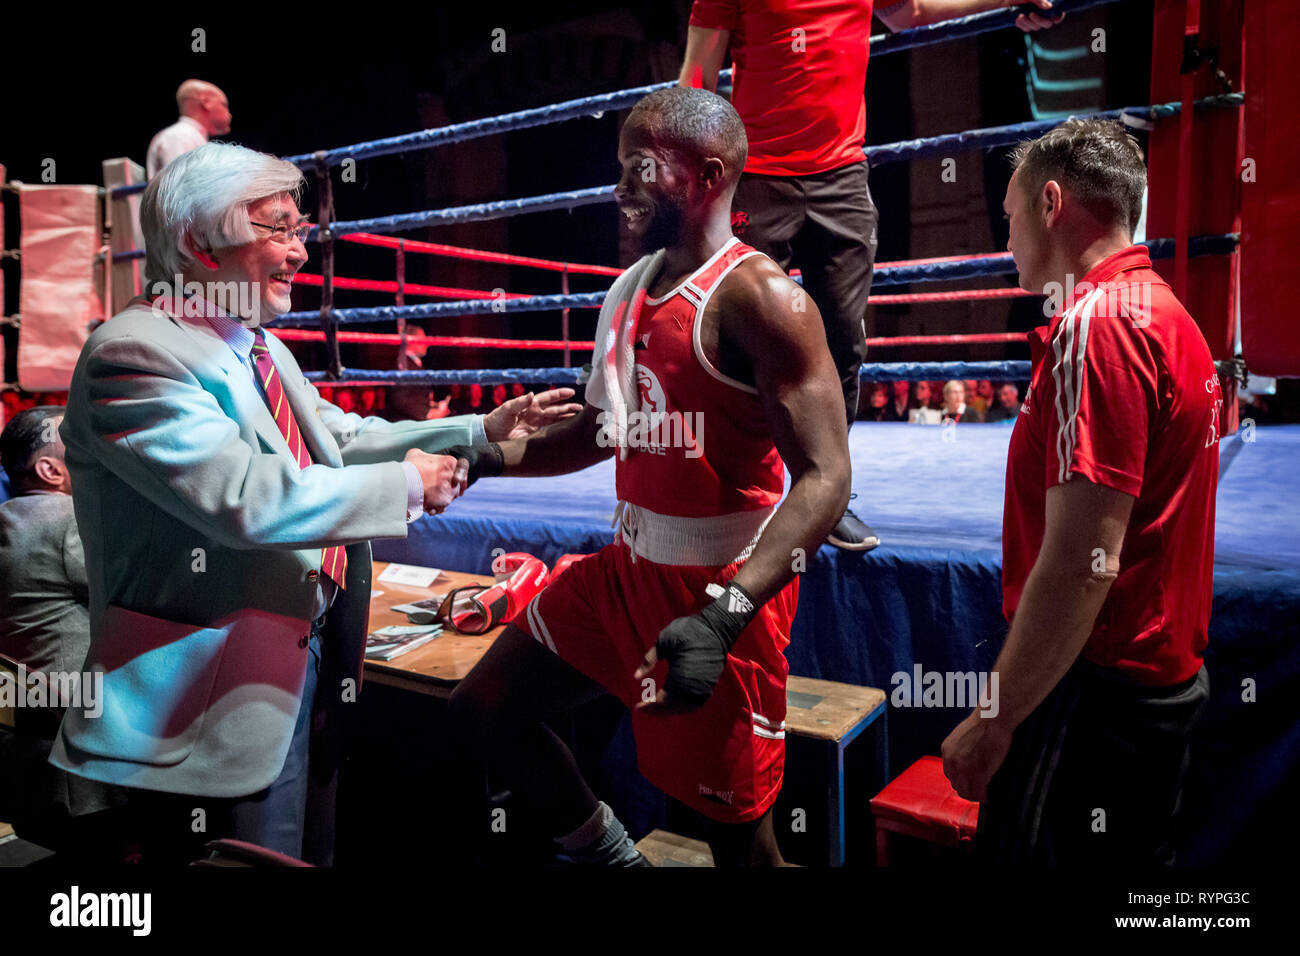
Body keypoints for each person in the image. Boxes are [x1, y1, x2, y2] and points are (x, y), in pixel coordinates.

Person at [50, 142, 579, 864]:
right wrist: (407, 487)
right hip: (204, 701)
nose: (300, 252)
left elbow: (338, 436)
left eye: (300, 230)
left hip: (301, 663)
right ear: (196, 244)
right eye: (277, 229)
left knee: (306, 855)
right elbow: (243, 498)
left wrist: (477, 427)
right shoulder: (133, 354)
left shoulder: (256, 346)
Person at [446, 87, 851, 867]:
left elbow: (827, 479)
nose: (621, 187)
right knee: (487, 706)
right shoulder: (627, 293)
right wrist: (483, 459)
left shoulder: (767, 301)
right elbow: (604, 431)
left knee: (736, 840)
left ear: (704, 175)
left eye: (640, 169)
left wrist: (727, 613)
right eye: (620, 169)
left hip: (722, 585)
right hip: (624, 573)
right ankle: (612, 859)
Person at [679, 0, 1062, 550]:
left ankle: (826, 495)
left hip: (842, 175)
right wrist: (695, 177)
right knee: (738, 332)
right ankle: (731, 489)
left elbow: (912, 11)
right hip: (758, 175)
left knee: (843, 338)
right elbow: (696, 78)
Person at [941, 119, 1219, 864]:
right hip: (1152, 684)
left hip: (1093, 694)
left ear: (1052, 203)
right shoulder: (1170, 316)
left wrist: (994, 718)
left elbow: (1080, 561)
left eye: (1009, 216)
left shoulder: (1100, 326)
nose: (1006, 242)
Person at [0, 407, 129, 859]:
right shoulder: (67, 522)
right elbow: (149, 594)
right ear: (50, 469)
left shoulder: (12, 520)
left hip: (23, 757)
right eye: (79, 443)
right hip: (81, 773)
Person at [146, 79, 233, 178]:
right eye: (224, 105)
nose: (229, 114)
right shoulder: (180, 135)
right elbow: (182, 185)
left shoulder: (189, 136)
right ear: (206, 102)